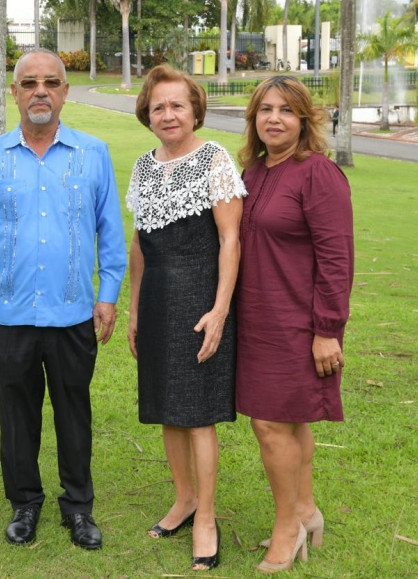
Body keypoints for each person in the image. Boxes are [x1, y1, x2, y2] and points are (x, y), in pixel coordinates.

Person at [0, 48, 127, 551]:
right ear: (15, 92)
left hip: (73, 311)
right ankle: (24, 503)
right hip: (8, 314)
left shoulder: (93, 154)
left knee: (75, 411)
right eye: (29, 83)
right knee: (17, 414)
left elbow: (110, 234)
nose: (40, 92)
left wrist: (109, 295)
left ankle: (78, 508)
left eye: (51, 82)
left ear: (66, 92)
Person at [126, 64, 246, 572]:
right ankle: (183, 498)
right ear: (147, 115)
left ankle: (207, 517)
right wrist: (133, 309)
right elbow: (140, 243)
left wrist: (220, 310)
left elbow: (230, 240)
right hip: (155, 298)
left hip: (199, 296)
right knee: (165, 407)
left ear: (194, 108)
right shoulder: (142, 166)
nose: (168, 114)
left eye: (177, 105)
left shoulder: (215, 159)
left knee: (197, 413)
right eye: (158, 107)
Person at [236, 76, 354, 573]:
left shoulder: (318, 174)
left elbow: (336, 258)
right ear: (253, 119)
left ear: (305, 119)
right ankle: (305, 509)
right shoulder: (253, 172)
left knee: (269, 423)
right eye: (265, 109)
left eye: (286, 110)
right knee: (290, 420)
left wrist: (327, 329)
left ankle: (288, 525)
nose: (274, 119)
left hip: (298, 323)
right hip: (255, 316)